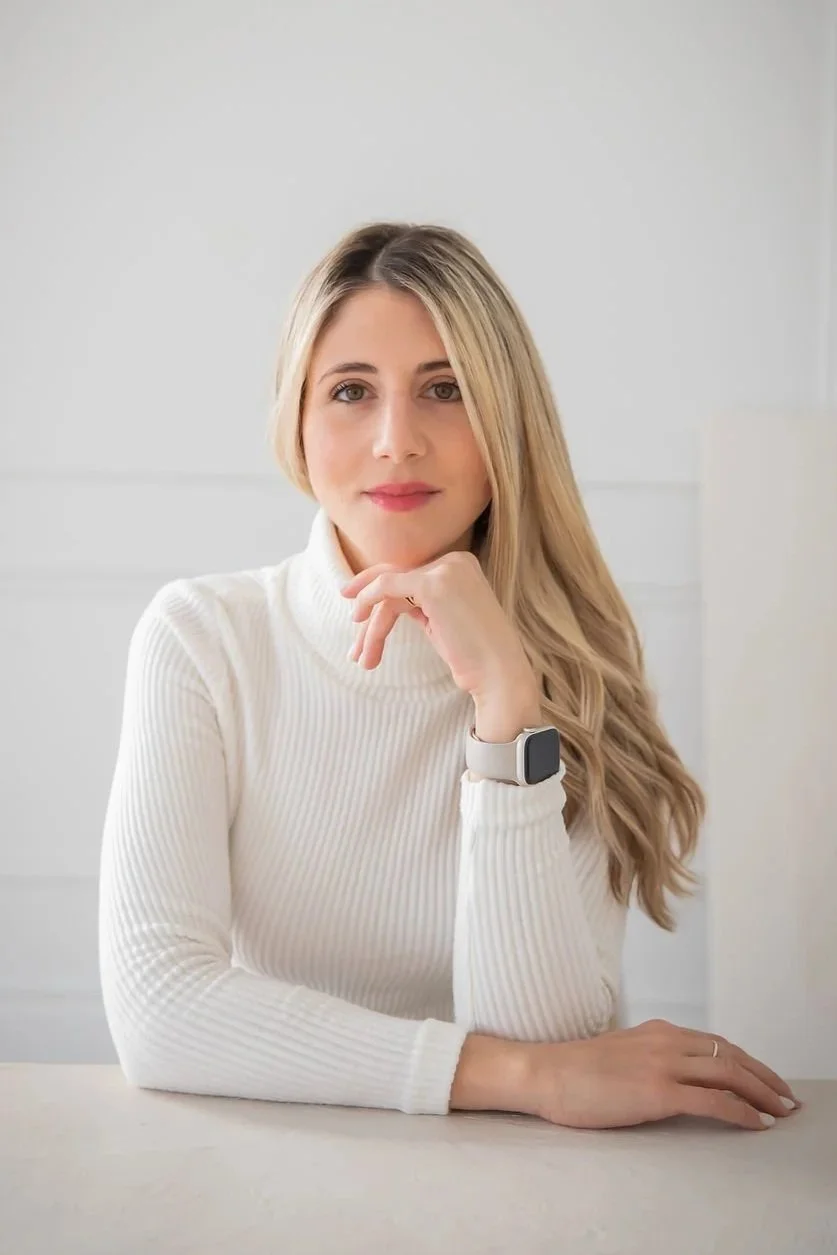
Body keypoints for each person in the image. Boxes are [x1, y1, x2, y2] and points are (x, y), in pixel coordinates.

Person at [98, 221, 800, 1132]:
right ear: (297, 426)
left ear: (506, 423)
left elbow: (550, 1038)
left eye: (445, 389)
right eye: (351, 391)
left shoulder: (576, 666)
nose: (397, 441)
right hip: (279, 1162)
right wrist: (517, 1075)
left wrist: (506, 711)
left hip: (516, 1183)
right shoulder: (203, 640)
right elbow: (160, 1008)